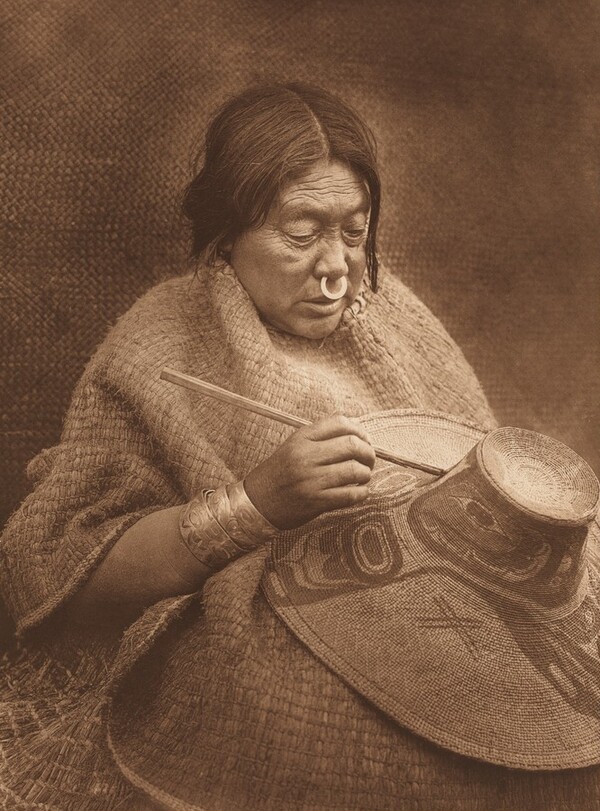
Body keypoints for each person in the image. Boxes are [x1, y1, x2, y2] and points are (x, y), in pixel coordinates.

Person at [0, 83, 504, 809]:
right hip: (263, 634)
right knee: (324, 730)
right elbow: (54, 575)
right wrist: (257, 502)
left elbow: (476, 457)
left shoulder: (396, 321)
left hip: (434, 620)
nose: (337, 267)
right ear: (229, 233)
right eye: (302, 234)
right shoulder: (158, 344)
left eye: (355, 233)